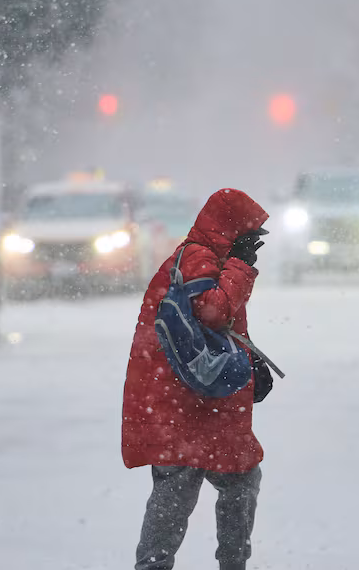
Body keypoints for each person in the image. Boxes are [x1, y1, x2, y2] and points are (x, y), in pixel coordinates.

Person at [122, 188, 273, 570]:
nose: (253, 245)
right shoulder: (197, 257)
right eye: (248, 235)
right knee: (178, 486)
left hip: (206, 399)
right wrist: (241, 265)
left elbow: (226, 326)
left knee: (240, 478)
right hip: (184, 400)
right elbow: (212, 312)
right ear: (230, 230)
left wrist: (251, 361)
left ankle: (232, 563)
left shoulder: (211, 258)